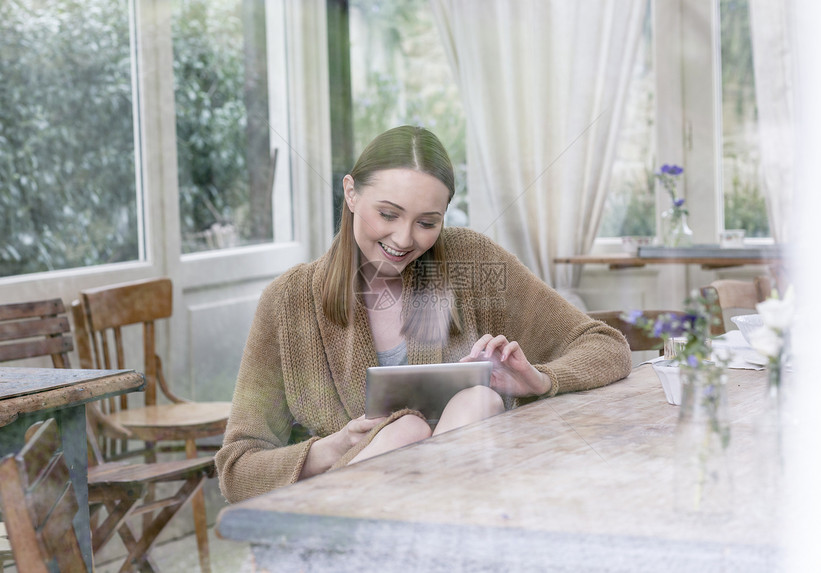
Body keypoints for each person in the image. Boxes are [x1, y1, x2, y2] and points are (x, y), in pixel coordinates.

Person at [216, 126, 632, 502]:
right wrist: (334, 448)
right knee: (404, 432)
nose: (404, 239)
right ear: (351, 192)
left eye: (427, 222)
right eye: (388, 214)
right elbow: (237, 469)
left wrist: (538, 380)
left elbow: (605, 345)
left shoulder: (472, 262)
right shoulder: (289, 302)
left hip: (473, 504)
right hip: (352, 509)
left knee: (478, 401)